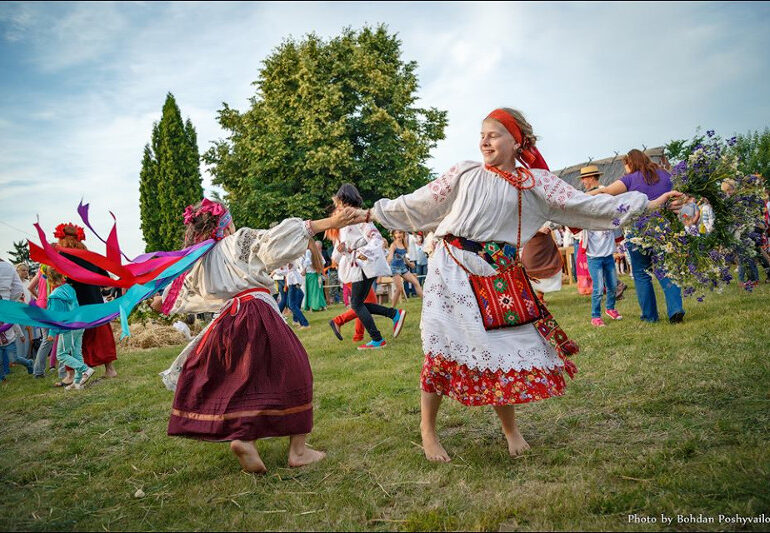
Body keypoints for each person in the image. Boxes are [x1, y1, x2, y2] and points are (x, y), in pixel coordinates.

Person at [354, 107, 682, 462]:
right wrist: (373, 213)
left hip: (497, 270)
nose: (484, 140)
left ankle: (511, 430)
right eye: (482, 134)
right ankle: (428, 431)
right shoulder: (465, 172)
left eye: (493, 134)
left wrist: (652, 204)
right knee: (442, 345)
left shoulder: (537, 184)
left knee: (500, 348)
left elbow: (590, 205)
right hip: (449, 268)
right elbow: (420, 203)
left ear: (516, 141)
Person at [152, 199, 358, 473]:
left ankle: (244, 439)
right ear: (225, 223)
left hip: (226, 322)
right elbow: (273, 242)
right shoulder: (238, 240)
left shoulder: (200, 261)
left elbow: (178, 295)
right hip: (257, 311)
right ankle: (298, 451)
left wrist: (157, 302)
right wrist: (330, 223)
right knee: (296, 371)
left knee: (243, 381)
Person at [589, 149, 685, 323]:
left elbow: (607, 192)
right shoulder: (665, 175)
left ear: (629, 163)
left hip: (638, 230)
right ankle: (675, 309)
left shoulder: (630, 178)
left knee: (641, 273)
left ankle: (650, 316)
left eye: (625, 165)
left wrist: (585, 196)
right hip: (664, 228)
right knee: (666, 269)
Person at [332, 184, 405, 350]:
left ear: (344, 201)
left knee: (357, 305)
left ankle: (378, 338)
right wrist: (344, 251)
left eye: (340, 202)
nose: (338, 206)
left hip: (362, 267)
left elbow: (376, 239)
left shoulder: (359, 218)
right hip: (362, 266)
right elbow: (346, 247)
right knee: (359, 303)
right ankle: (393, 315)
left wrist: (359, 255)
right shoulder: (348, 221)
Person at [54, 223, 119, 376]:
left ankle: (71, 375)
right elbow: (105, 277)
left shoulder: (62, 257)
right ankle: (110, 369)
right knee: (101, 337)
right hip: (95, 303)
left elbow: (57, 279)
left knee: (72, 339)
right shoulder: (90, 257)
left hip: (74, 306)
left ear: (62, 239)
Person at [576, 166, 622, 326]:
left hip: (607, 253)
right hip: (594, 255)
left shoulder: (606, 192)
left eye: (584, 178)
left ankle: (610, 308)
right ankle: (595, 316)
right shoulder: (583, 198)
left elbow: (615, 212)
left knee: (612, 286)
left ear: (592, 177)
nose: (583, 182)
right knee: (598, 288)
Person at [45, 267, 93, 390]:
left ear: (50, 280)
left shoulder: (54, 296)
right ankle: (77, 382)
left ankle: (85, 370)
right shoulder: (70, 289)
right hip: (78, 324)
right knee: (77, 353)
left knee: (61, 354)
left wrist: (52, 332)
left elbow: (56, 316)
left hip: (68, 328)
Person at [387, 230, 424, 306]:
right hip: (394, 268)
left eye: (400, 232)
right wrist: (386, 265)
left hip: (403, 268)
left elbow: (403, 257)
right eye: (396, 233)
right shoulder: (393, 245)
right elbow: (390, 257)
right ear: (394, 235)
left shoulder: (404, 244)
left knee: (416, 282)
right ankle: (391, 309)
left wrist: (409, 264)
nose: (398, 234)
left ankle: (426, 303)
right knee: (399, 289)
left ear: (403, 234)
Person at [302, 240, 327, 312]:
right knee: (317, 290)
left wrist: (304, 269)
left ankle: (315, 306)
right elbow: (322, 262)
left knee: (314, 291)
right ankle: (320, 305)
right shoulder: (314, 252)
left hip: (312, 274)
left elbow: (307, 262)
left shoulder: (309, 252)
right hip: (315, 274)